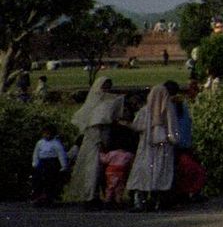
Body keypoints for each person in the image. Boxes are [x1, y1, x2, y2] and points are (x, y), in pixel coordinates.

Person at [67, 75, 123, 204]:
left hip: (104, 140)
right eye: (105, 87)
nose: (106, 90)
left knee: (103, 171)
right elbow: (93, 123)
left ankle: (100, 195)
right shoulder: (94, 104)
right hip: (94, 141)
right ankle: (90, 196)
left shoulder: (109, 102)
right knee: (92, 170)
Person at [127, 83, 177, 211]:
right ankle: (157, 201)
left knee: (144, 172)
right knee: (159, 172)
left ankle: (141, 201)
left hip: (147, 147)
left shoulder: (145, 111)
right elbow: (173, 130)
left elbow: (137, 126)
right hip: (162, 148)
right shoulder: (168, 109)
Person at [30, 123, 69, 206]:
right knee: (38, 180)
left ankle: (49, 197)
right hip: (42, 162)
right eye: (45, 133)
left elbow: (61, 154)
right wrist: (35, 163)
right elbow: (36, 153)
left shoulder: (56, 144)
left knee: (50, 181)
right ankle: (38, 196)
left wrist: (63, 166)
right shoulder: (40, 143)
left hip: (51, 163)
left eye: (48, 134)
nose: (47, 135)